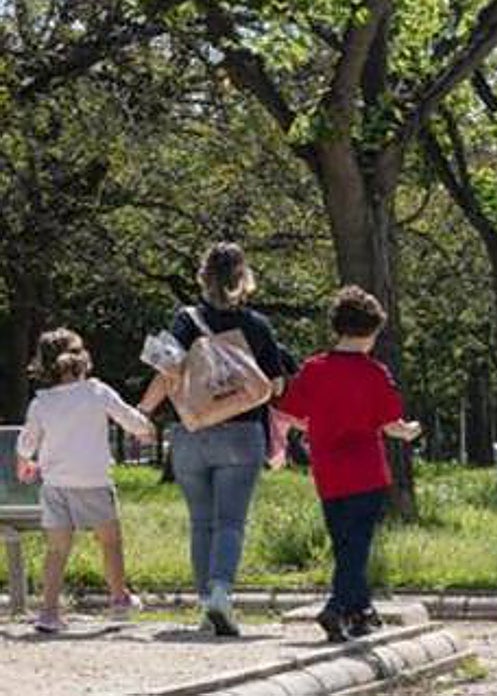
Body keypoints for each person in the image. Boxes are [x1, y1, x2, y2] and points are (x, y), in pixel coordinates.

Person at [139, 242, 285, 636]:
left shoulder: (185, 320)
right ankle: (221, 593)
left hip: (192, 431)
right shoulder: (257, 325)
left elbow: (166, 367)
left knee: (201, 522)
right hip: (242, 433)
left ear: (202, 278)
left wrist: (143, 412)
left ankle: (206, 604)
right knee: (230, 522)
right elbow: (274, 384)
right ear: (245, 279)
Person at [278, 286, 422, 642]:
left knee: (344, 542)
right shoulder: (375, 373)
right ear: (372, 332)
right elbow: (391, 425)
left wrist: (318, 425)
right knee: (357, 545)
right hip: (366, 471)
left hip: (327, 471)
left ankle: (361, 612)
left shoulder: (314, 369)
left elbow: (291, 414)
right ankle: (337, 606)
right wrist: (411, 431)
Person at [15, 328, 155, 634]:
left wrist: (24, 462)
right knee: (110, 542)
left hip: (56, 485)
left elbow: (27, 442)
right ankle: (119, 599)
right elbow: (128, 418)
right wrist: (145, 428)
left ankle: (49, 613)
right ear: (82, 359)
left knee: (56, 550)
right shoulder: (96, 391)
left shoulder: (42, 402)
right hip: (93, 481)